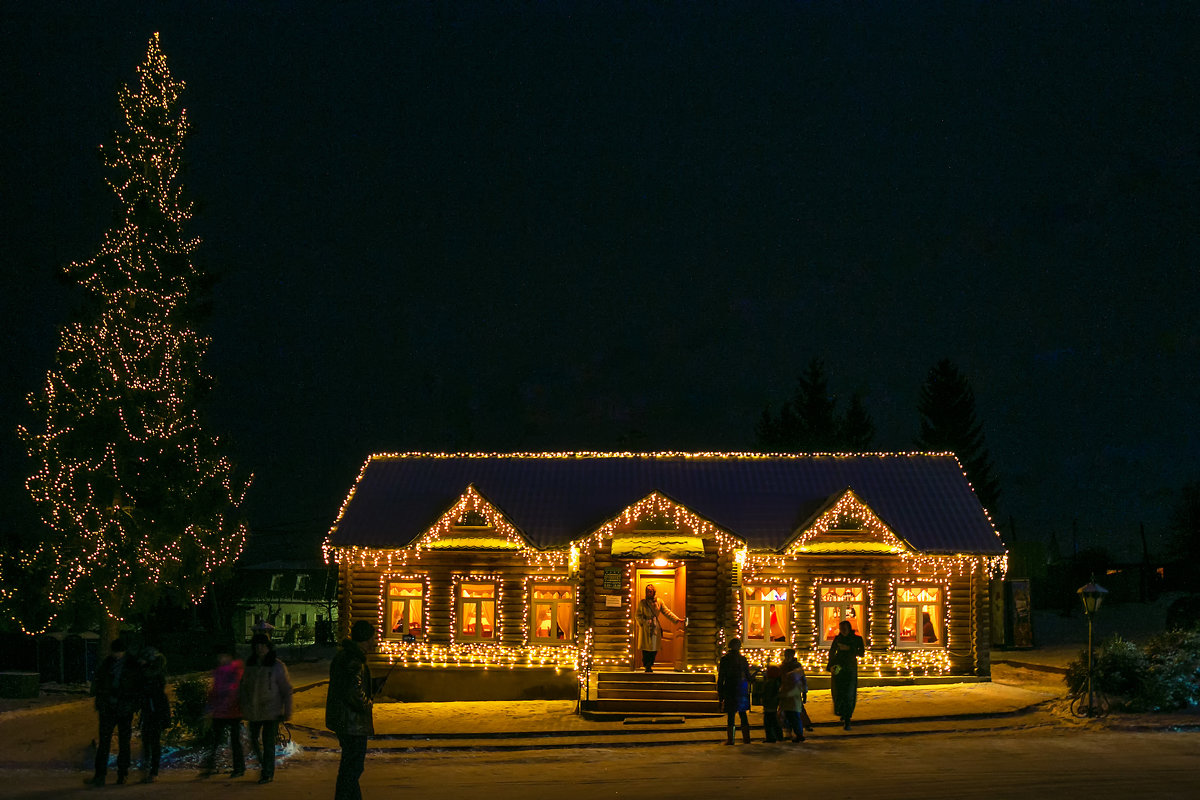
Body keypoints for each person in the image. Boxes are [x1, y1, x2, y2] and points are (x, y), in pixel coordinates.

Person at [327, 620, 376, 800]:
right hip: (352, 723)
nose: (374, 642)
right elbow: (352, 691)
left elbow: (350, 685)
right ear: (364, 639)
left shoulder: (345, 657)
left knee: (350, 767)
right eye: (372, 638)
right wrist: (367, 703)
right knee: (353, 768)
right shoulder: (353, 660)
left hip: (344, 721)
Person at [240, 632, 293, 785]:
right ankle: (265, 766)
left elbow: (286, 689)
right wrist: (243, 705)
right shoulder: (250, 665)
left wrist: (287, 710)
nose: (259, 648)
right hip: (254, 709)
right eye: (257, 645)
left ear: (268, 647)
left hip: (272, 710)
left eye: (263, 645)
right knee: (253, 740)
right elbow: (243, 687)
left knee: (268, 742)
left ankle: (267, 773)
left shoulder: (277, 666)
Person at [87, 638, 141, 787]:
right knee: (107, 742)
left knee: (121, 743)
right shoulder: (117, 664)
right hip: (112, 708)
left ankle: (120, 774)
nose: (116, 655)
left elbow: (135, 688)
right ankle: (105, 775)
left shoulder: (127, 665)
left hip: (121, 708)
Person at [202, 643, 245, 778]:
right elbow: (215, 690)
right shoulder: (220, 671)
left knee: (234, 740)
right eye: (219, 656)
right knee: (215, 740)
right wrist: (210, 706)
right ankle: (210, 767)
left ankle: (239, 767)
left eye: (223, 656)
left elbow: (235, 689)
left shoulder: (235, 670)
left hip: (233, 711)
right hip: (220, 711)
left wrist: (225, 700)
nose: (221, 658)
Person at [137, 646, 171, 783]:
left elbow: (155, 694)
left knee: (153, 742)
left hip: (155, 712)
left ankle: (153, 771)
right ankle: (149, 770)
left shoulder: (153, 674)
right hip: (150, 711)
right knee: (148, 741)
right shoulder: (150, 673)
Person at [635, 584, 684, 672]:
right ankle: (647, 665)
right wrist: (643, 622)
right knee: (645, 647)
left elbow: (666, 612)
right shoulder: (642, 602)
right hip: (646, 627)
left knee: (654, 647)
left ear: (654, 592)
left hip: (655, 627)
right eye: (647, 591)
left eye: (650, 591)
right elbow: (637, 615)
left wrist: (677, 619)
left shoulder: (659, 601)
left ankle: (651, 663)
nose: (649, 593)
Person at [828, 619, 866, 729]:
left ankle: (847, 717)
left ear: (849, 629)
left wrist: (849, 648)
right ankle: (841, 712)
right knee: (838, 692)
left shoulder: (857, 639)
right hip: (839, 667)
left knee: (849, 693)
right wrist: (831, 666)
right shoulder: (837, 638)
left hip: (850, 667)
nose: (843, 631)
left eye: (845, 629)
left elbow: (861, 653)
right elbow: (831, 652)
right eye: (841, 629)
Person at [716, 637, 752, 744]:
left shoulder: (725, 659)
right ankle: (746, 738)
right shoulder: (743, 659)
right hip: (741, 689)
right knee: (743, 714)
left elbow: (721, 677)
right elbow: (748, 676)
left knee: (731, 715)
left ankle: (731, 740)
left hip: (730, 688)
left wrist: (720, 694)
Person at [779, 648, 808, 742]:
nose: (787, 657)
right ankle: (788, 732)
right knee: (786, 714)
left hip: (793, 693)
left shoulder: (797, 667)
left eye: (789, 656)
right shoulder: (783, 666)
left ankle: (799, 733)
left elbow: (803, 679)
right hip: (785, 692)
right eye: (786, 655)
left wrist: (804, 691)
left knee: (794, 714)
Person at [759, 662, 784, 743]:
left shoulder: (770, 682)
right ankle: (778, 736)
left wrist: (765, 701)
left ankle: (771, 737)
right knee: (774, 720)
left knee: (769, 721)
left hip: (770, 704)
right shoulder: (776, 682)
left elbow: (768, 694)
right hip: (773, 704)